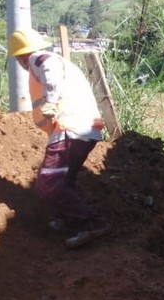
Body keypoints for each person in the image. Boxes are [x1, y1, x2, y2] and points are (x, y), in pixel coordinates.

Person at [8, 28, 110, 249]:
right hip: (86, 128)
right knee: (65, 180)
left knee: (49, 183)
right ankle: (67, 218)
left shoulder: (40, 58)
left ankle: (93, 223)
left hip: (69, 127)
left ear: (20, 55)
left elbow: (49, 70)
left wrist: (52, 102)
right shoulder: (62, 62)